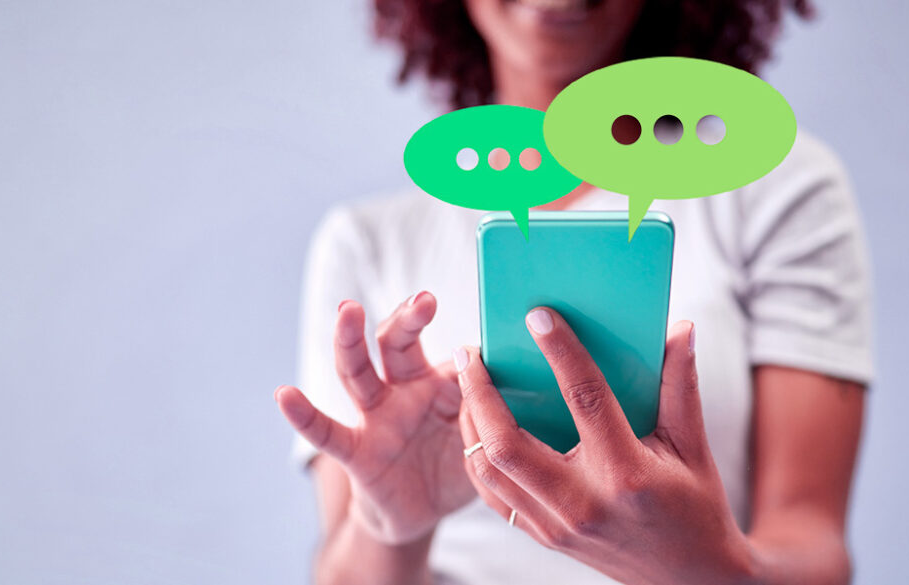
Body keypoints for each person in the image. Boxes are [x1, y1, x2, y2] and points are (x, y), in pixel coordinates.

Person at [274, 0, 874, 583]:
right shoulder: (365, 240)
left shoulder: (774, 190)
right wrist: (389, 528)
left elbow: (813, 546)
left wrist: (703, 568)